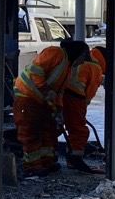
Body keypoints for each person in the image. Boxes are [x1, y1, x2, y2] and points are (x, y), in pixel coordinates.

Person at [13, 39, 90, 176]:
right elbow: (36, 70)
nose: (82, 62)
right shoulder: (55, 53)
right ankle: (32, 166)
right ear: (79, 54)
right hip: (27, 97)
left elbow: (59, 91)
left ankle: (46, 162)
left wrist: (58, 108)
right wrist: (45, 91)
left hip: (41, 101)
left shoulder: (67, 66)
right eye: (83, 58)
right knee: (31, 132)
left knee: (48, 130)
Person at [62, 46, 106, 173]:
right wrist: (80, 111)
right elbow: (88, 95)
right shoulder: (96, 68)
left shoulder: (87, 58)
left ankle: (47, 159)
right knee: (79, 131)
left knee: (56, 128)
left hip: (62, 93)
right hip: (74, 97)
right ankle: (74, 159)